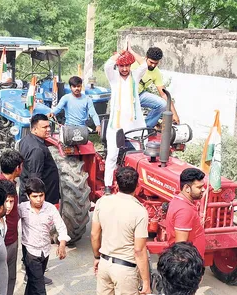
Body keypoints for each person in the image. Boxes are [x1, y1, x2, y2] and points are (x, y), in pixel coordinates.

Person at [91, 167, 151, 295]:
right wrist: (146, 282)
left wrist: (97, 257)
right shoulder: (139, 211)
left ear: (116, 184)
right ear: (137, 186)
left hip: (104, 264)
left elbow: (94, 235)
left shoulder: (102, 202)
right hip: (125, 269)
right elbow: (139, 250)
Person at [103, 44, 147, 195]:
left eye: (127, 65)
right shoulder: (113, 77)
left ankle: (140, 186)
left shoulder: (135, 76)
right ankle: (108, 186)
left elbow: (145, 64)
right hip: (116, 125)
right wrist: (121, 53)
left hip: (135, 124)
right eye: (121, 66)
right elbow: (108, 65)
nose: (124, 69)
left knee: (142, 154)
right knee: (112, 156)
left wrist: (132, 52)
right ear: (118, 66)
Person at [19, 177, 69, 294]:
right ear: (28, 196)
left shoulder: (50, 208)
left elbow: (61, 227)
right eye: (35, 196)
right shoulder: (22, 208)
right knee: (40, 287)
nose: (39, 200)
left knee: (33, 282)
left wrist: (62, 245)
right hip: (30, 252)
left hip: (45, 252)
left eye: (41, 195)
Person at [132, 47, 180, 127]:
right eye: (151, 62)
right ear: (146, 57)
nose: (153, 65)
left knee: (163, 104)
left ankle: (146, 128)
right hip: (126, 95)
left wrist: (174, 114)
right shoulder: (134, 63)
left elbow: (164, 94)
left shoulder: (156, 72)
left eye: (156, 63)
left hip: (139, 95)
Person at [19, 114, 60, 205]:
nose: (48, 129)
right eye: (44, 127)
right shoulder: (37, 149)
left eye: (49, 126)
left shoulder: (25, 140)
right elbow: (35, 178)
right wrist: (38, 203)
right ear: (34, 129)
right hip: (41, 201)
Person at [165, 168, 206, 258]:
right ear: (187, 188)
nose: (203, 190)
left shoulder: (181, 201)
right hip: (189, 265)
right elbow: (181, 247)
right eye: (199, 187)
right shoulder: (184, 210)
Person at [0, 179, 18, 295]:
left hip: (11, 245)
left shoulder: (4, 219)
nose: (9, 206)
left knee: (10, 277)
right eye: (6, 201)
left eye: (12, 201)